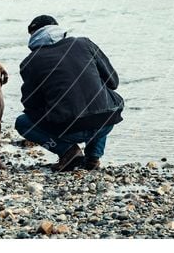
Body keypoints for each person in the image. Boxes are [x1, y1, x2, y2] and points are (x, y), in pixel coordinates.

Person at [15, 14, 124, 171]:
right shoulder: (84, 43)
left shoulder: (30, 62)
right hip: (105, 123)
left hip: (68, 130)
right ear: (59, 30)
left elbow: (30, 104)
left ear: (33, 37)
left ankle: (67, 150)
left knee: (23, 123)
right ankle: (93, 157)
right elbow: (113, 82)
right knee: (103, 99)